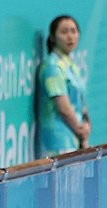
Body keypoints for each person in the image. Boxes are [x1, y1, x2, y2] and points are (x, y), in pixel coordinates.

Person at [36, 15, 90, 157]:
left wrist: (86, 126)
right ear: (53, 38)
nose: (70, 36)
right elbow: (63, 107)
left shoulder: (72, 65)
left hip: (75, 138)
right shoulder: (52, 66)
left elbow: (81, 103)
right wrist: (80, 131)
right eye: (64, 32)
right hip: (59, 141)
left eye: (73, 31)